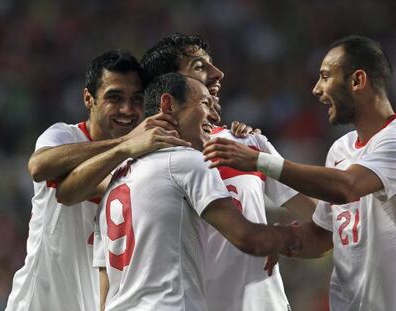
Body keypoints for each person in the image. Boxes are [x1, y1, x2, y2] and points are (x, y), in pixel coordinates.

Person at [203, 35, 396, 311]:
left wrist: (261, 161)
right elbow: (322, 237)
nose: (317, 89)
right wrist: (279, 239)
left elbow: (348, 187)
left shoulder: (393, 140)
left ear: (357, 81)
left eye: (326, 76)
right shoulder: (340, 149)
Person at [94, 73, 301, 311]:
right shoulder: (187, 161)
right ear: (168, 104)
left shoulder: (116, 179)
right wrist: (286, 237)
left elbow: (105, 283)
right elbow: (248, 239)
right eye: (204, 103)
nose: (214, 115)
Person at [141, 33, 316, 311]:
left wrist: (283, 238)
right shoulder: (140, 166)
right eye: (200, 67)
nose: (218, 73)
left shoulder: (247, 143)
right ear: (169, 88)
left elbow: (318, 214)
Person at [5, 50, 189, 311]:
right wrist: (125, 143)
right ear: (88, 98)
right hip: (40, 302)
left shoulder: (146, 157)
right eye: (114, 97)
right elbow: (38, 167)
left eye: (136, 99)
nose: (127, 109)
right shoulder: (63, 137)